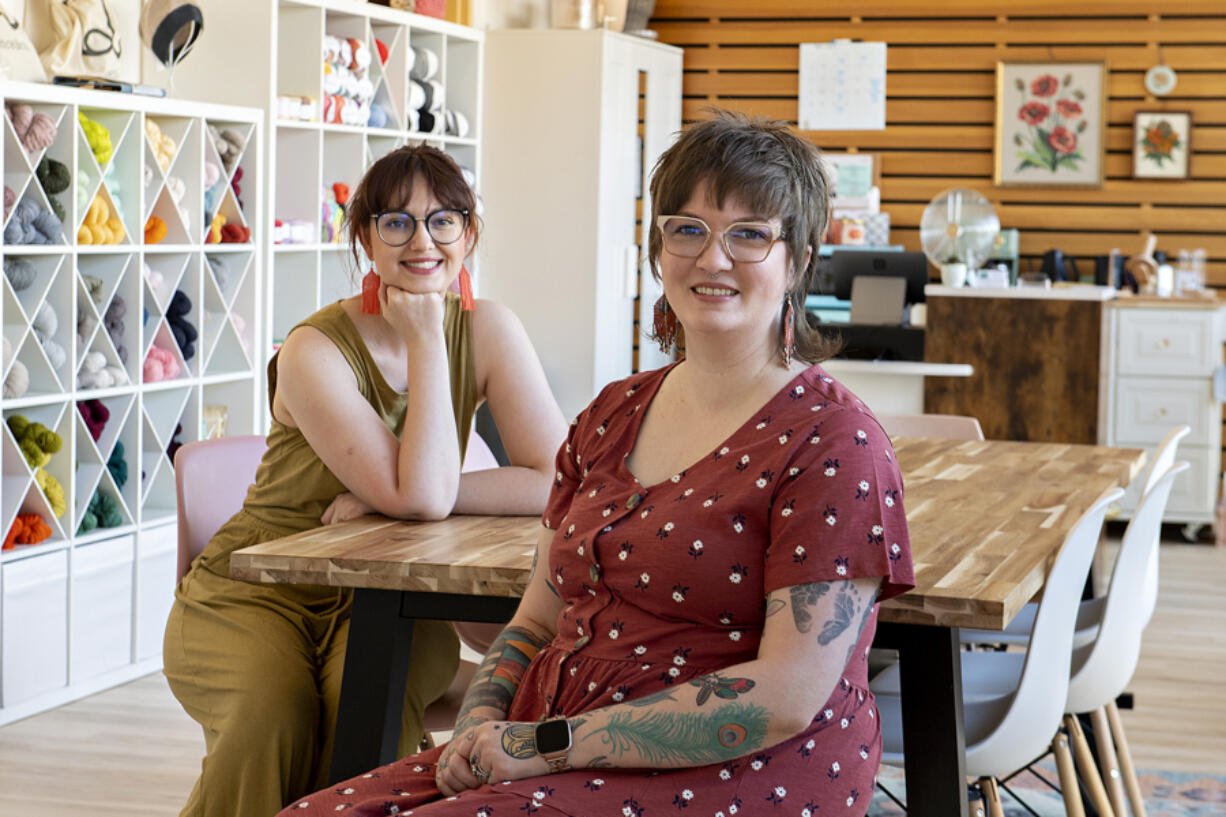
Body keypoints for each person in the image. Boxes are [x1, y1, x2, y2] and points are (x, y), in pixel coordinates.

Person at [278, 110, 915, 817]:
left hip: (740, 770)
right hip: (550, 739)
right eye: (687, 228)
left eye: (749, 234)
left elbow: (785, 698)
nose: (712, 257)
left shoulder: (834, 441)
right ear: (658, 248)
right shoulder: (612, 414)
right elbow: (534, 620)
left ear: (796, 259)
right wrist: (475, 733)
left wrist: (544, 743)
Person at [164, 144, 568, 817]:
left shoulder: (491, 328)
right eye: (397, 222)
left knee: (364, 693)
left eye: (444, 220)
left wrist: (401, 505)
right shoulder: (312, 349)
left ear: (468, 234)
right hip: (260, 587)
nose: (423, 240)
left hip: (388, 593)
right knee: (272, 711)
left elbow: (557, 478)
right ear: (365, 238)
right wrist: (425, 339)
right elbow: (420, 496)